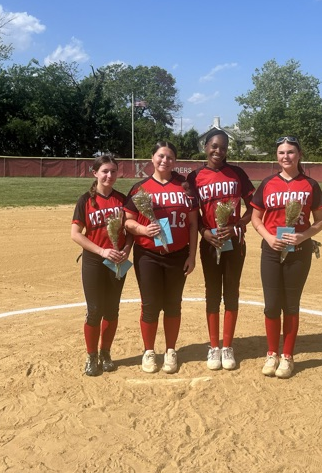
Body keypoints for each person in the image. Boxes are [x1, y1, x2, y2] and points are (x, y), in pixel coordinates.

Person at [251, 136, 322, 379]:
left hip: (299, 252)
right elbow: (255, 218)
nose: (286, 156)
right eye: (282, 152)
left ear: (299, 155)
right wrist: (268, 237)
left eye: (290, 152)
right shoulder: (267, 183)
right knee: (272, 304)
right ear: (277, 156)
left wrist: (303, 236)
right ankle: (272, 353)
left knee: (291, 305)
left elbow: (320, 221)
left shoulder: (310, 185)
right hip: (271, 250)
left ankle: (287, 356)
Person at [124, 141, 198, 374]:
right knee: (150, 305)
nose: (165, 161)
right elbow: (127, 221)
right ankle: (148, 351)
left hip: (178, 255)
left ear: (175, 161)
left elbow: (194, 224)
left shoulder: (185, 188)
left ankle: (170, 350)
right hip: (148, 255)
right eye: (160, 156)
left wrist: (192, 256)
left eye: (169, 157)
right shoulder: (140, 188)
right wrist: (143, 230)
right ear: (152, 158)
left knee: (173, 304)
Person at [187, 130, 254, 370]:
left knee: (232, 292)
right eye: (214, 146)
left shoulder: (237, 173)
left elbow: (255, 206)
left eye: (223, 147)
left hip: (234, 242)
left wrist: (238, 225)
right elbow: (192, 215)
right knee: (212, 293)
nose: (219, 151)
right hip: (210, 242)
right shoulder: (195, 177)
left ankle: (228, 346)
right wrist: (204, 232)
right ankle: (214, 346)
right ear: (205, 147)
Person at [71, 155, 132, 377]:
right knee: (95, 310)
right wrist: (101, 250)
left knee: (112, 309)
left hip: (117, 260)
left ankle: (105, 353)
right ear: (95, 173)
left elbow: (130, 231)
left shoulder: (123, 200)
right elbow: (75, 234)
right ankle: (91, 356)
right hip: (95, 260)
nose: (109, 175)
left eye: (113, 171)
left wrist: (126, 250)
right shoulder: (85, 200)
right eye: (105, 171)